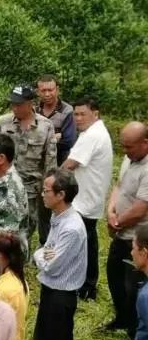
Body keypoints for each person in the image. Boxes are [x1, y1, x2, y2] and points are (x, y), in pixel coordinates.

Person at [30, 169, 87, 340]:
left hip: (62, 294)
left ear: (61, 195)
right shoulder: (58, 217)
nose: (42, 194)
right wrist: (42, 255)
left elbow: (49, 262)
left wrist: (40, 256)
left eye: (46, 191)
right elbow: (45, 252)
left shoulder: (72, 228)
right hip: (50, 288)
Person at [0, 84, 57, 244]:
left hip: (31, 192)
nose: (15, 108)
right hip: (3, 187)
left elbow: (50, 162)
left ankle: (18, 266)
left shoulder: (45, 126)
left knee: (23, 236)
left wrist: (47, 192)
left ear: (30, 103)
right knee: (0, 233)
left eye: (19, 104)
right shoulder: (2, 123)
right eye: (12, 103)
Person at [62, 97, 113, 301]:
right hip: (90, 199)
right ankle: (87, 288)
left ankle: (83, 288)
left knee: (80, 246)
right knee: (87, 244)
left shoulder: (92, 135)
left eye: (83, 114)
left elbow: (70, 165)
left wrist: (51, 181)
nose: (78, 118)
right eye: (75, 114)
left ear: (96, 114)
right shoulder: (96, 132)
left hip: (85, 201)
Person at [104, 122, 148, 340]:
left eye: (129, 147)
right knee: (114, 276)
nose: (125, 151)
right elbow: (119, 186)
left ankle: (133, 335)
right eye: (123, 146)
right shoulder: (129, 158)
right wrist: (111, 210)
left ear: (145, 143)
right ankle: (121, 318)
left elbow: (141, 208)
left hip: (137, 238)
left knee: (134, 288)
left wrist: (116, 222)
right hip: (121, 233)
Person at [37, 75, 76, 167]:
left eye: (50, 90)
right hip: (36, 164)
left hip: (59, 164)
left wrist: (38, 140)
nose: (47, 94)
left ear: (57, 90)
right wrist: (54, 138)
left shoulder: (67, 111)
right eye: (43, 91)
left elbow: (68, 142)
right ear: (38, 91)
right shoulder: (34, 110)